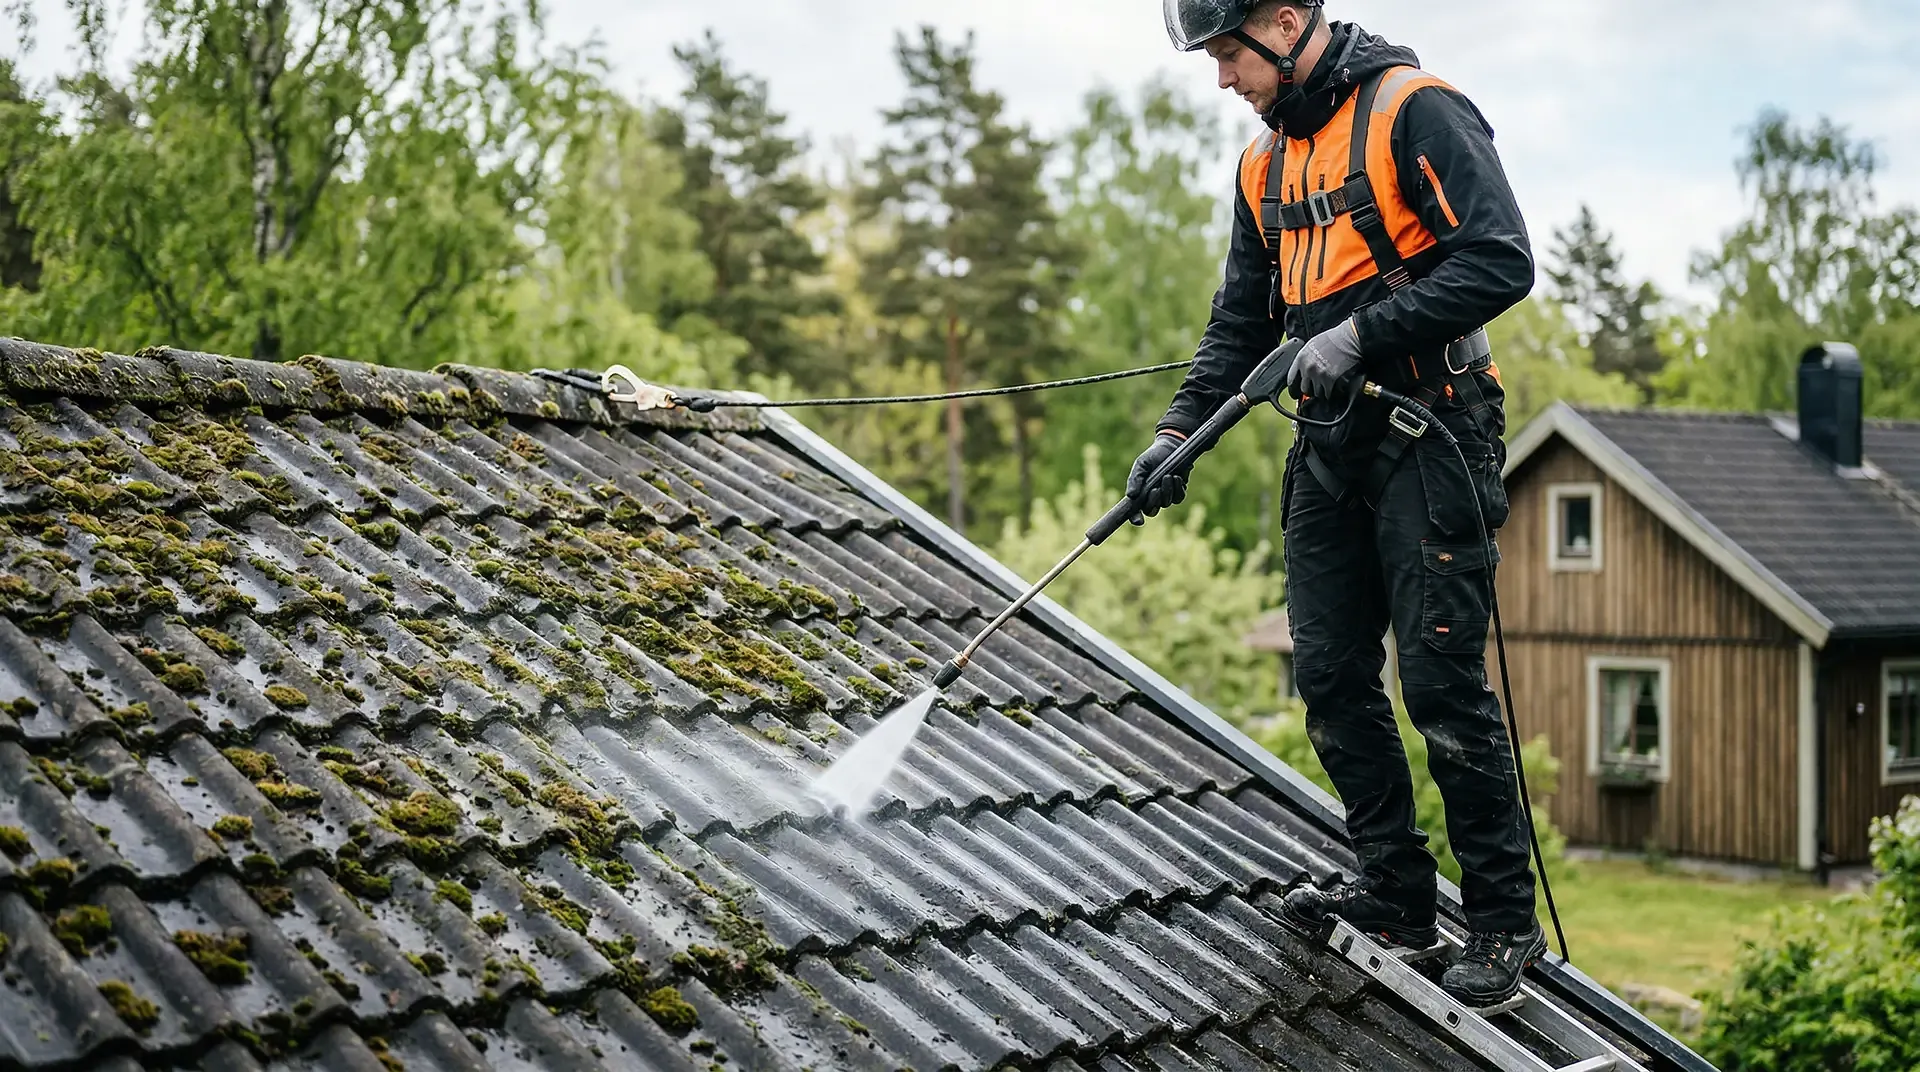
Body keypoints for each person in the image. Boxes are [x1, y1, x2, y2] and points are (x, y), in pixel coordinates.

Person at [1141, 0, 1542, 1006]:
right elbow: (1240, 325)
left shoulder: (1418, 110)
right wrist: (1173, 436)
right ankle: (1397, 893)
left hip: (1436, 430)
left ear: (1286, 19)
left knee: (1443, 690)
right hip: (1329, 448)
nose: (1223, 78)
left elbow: (1501, 260)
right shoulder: (1261, 169)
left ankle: (1501, 924)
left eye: (1230, 53)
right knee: (1324, 673)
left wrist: (1360, 336)